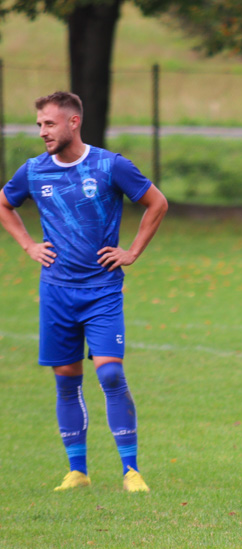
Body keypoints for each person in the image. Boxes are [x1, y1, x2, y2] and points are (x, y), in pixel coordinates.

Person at [0, 91, 168, 492]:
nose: (42, 131)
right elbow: (4, 204)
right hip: (56, 292)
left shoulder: (110, 166)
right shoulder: (33, 171)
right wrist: (28, 245)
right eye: (39, 124)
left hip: (102, 291)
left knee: (109, 372)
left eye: (49, 124)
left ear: (73, 122)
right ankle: (78, 470)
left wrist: (132, 252)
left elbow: (156, 203)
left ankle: (131, 471)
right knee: (66, 379)